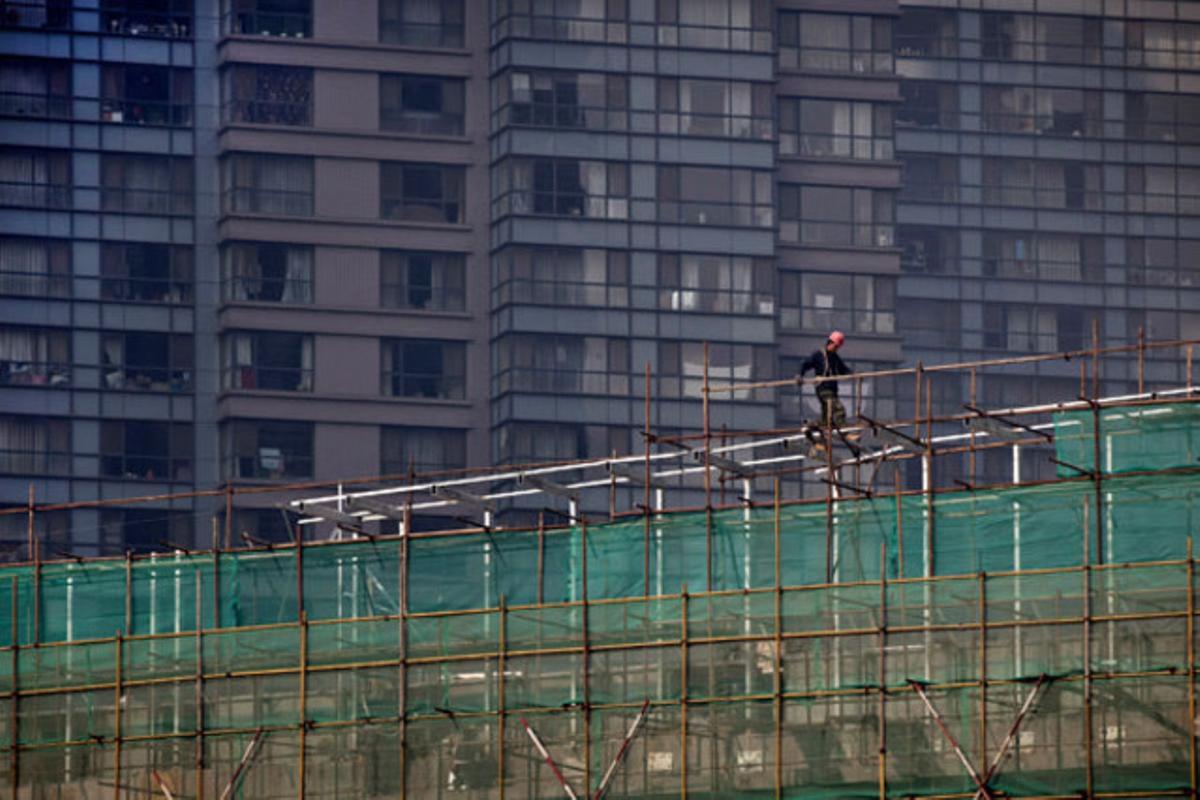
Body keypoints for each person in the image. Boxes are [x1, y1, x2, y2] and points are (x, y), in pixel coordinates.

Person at [798, 330, 856, 444]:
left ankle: (810, 426)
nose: (836, 349)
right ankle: (845, 432)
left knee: (826, 421)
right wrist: (800, 375)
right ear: (830, 343)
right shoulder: (818, 355)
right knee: (839, 409)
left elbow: (843, 369)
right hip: (824, 389)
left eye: (838, 347)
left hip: (832, 390)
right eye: (836, 346)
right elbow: (805, 364)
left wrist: (854, 375)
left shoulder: (834, 357)